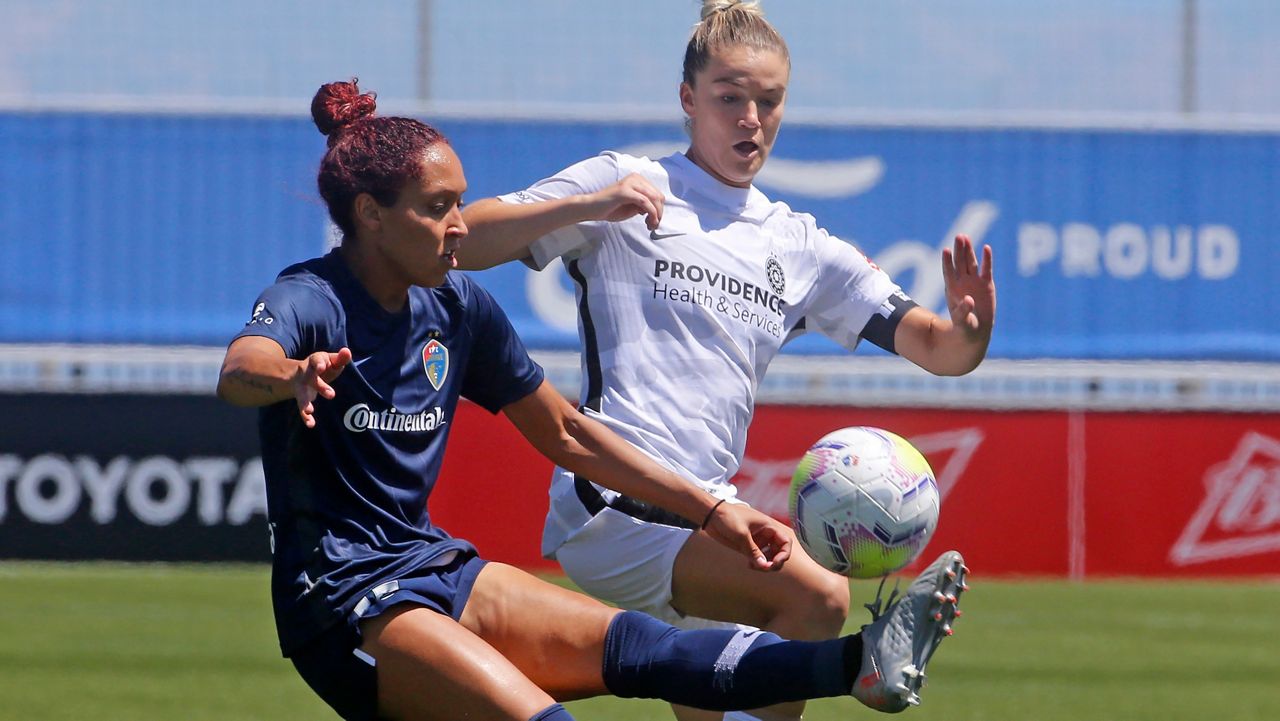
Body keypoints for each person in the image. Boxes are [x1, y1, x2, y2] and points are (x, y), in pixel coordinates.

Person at [215, 79, 966, 721]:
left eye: (461, 203)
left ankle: (864, 661)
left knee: (646, 650)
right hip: (343, 599)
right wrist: (289, 377)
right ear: (372, 214)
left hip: (429, 564)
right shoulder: (310, 296)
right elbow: (240, 366)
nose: (458, 225)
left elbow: (569, 434)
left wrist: (711, 510)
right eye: (437, 206)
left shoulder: (456, 307)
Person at [457, 2, 993, 720]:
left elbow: (939, 348)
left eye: (767, 101)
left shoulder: (797, 243)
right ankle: (864, 663)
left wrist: (972, 329)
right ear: (688, 99)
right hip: (614, 506)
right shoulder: (629, 181)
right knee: (816, 595)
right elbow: (461, 239)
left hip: (711, 517)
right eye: (729, 98)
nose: (750, 118)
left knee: (723, 696)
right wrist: (586, 204)